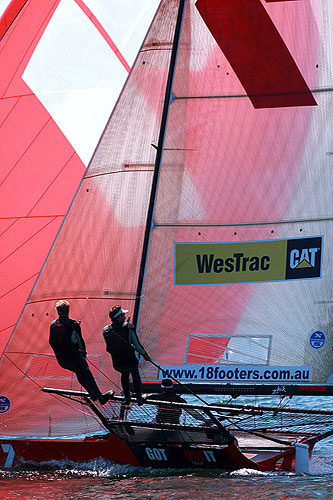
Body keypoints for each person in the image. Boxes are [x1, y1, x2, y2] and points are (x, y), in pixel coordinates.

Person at [49, 300, 113, 405]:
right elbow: (80, 341)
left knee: (79, 373)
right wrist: (83, 352)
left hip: (62, 360)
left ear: (57, 311)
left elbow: (51, 342)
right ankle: (100, 397)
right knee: (86, 373)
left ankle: (93, 395)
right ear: (68, 310)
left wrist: (60, 351)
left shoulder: (53, 325)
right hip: (74, 357)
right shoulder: (73, 324)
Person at [102, 305, 151, 405]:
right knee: (135, 374)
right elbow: (137, 345)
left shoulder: (106, 330)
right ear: (119, 317)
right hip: (129, 360)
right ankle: (139, 397)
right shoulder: (128, 327)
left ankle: (127, 398)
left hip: (117, 363)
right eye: (123, 314)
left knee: (124, 374)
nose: (125, 316)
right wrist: (145, 355)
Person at [146, 378, 213, 425]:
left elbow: (144, 397)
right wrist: (205, 420)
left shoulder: (155, 397)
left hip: (160, 425)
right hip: (175, 425)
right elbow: (192, 412)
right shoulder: (179, 399)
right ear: (172, 388)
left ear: (161, 388)